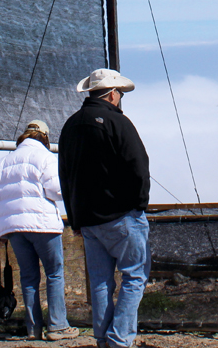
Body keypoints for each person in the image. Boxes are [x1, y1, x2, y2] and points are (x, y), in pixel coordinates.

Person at [58, 68, 150, 348]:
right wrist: (139, 204)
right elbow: (139, 166)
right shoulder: (117, 122)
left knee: (100, 281)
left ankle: (103, 338)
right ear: (112, 94)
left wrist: (74, 218)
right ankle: (119, 339)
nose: (120, 98)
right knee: (135, 275)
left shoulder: (70, 126)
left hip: (87, 219)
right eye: (119, 93)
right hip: (122, 215)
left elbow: (65, 175)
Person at [0, 119, 81, 341]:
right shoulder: (46, 158)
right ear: (45, 137)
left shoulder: (2, 163)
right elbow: (57, 191)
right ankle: (57, 326)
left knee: (28, 278)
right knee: (54, 274)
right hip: (43, 226)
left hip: (15, 230)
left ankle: (33, 329)